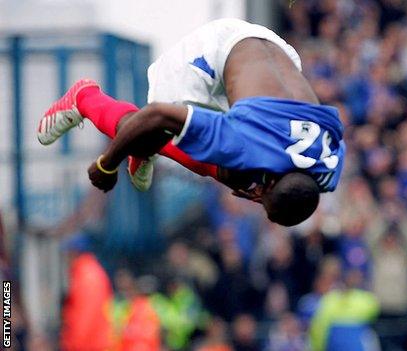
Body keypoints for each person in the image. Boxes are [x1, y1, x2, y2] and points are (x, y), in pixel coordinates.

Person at [37, 18, 345, 226]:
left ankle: (146, 149)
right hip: (214, 48)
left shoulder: (329, 167)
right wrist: (106, 163)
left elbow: (288, 175)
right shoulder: (243, 144)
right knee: (150, 131)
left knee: (238, 171)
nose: (258, 197)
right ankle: (86, 99)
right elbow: (157, 114)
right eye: (264, 199)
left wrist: (262, 189)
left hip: (275, 51)